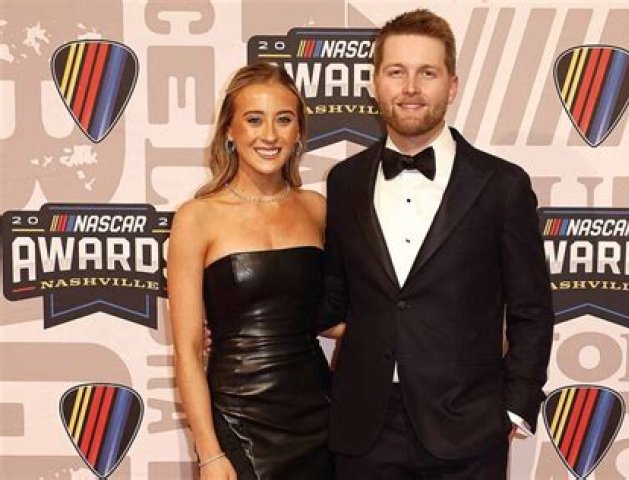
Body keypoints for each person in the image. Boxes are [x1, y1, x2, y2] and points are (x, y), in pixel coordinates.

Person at [321, 9, 555, 479]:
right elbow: (331, 297)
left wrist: (515, 407)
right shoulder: (344, 181)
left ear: (451, 86)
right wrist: (230, 321)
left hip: (468, 427)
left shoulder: (502, 185)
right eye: (396, 72)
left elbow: (532, 308)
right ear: (374, 84)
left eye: (427, 73)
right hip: (363, 428)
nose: (410, 88)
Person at [168, 62, 341, 480]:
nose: (269, 135)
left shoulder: (317, 210)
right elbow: (188, 350)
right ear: (229, 130)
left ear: (299, 132)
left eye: (283, 119)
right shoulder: (196, 217)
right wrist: (209, 452)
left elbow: (335, 316)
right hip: (238, 418)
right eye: (253, 119)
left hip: (320, 414)